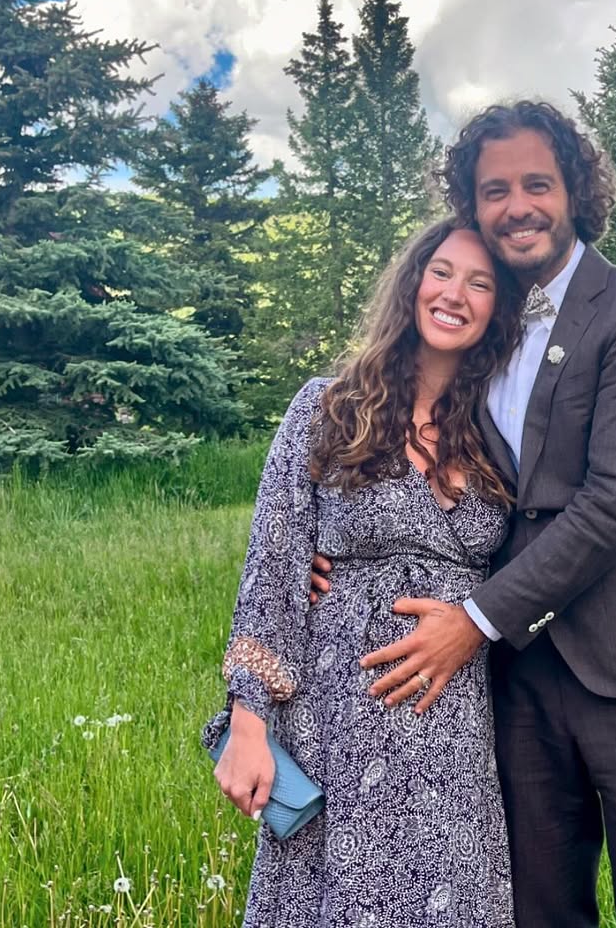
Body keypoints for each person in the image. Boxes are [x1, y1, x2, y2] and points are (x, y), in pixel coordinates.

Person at [350, 102, 616, 927]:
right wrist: (332, 557)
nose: (517, 206)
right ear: (472, 205)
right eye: (495, 191)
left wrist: (476, 620)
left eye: (536, 185)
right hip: (518, 678)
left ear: (575, 191)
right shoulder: (478, 325)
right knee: (537, 906)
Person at [204, 220, 523, 926]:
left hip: (455, 730)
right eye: (443, 272)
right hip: (339, 714)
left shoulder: (499, 430)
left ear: (498, 311)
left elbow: (577, 513)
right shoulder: (328, 408)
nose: (455, 294)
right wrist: (249, 722)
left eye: (480, 284)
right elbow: (273, 568)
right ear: (413, 283)